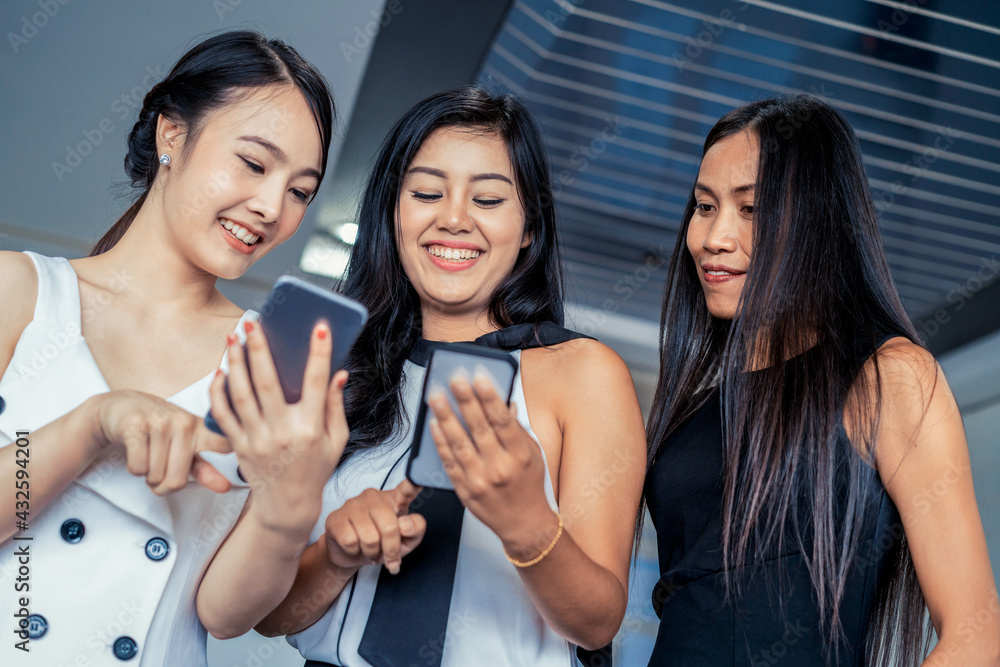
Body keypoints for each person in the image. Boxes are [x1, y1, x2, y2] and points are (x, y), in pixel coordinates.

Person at [195, 86, 648, 666]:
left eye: (487, 200)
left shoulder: (582, 374)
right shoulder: (331, 364)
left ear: (529, 226)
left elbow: (597, 622)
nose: (453, 219)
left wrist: (527, 522)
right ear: (393, 212)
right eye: (427, 193)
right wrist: (336, 553)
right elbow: (265, 617)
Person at [0, 30, 336, 666]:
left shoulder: (271, 359)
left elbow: (224, 614)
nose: (271, 207)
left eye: (300, 191)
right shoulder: (18, 291)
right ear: (172, 136)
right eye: (255, 164)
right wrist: (94, 424)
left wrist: (289, 506)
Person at [643, 95, 1000, 666]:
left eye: (752, 209)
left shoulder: (889, 378)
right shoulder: (692, 414)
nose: (714, 236)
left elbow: (976, 635)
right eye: (704, 207)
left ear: (817, 219)